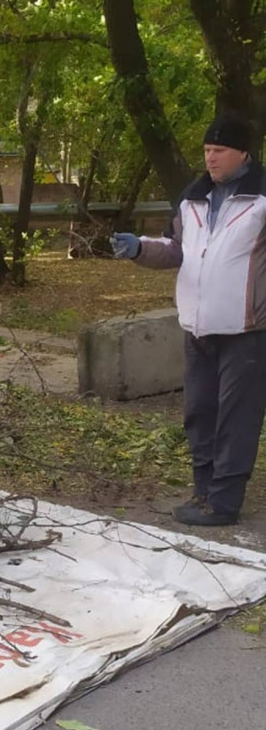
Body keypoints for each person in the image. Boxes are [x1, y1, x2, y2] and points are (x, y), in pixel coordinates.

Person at [110, 113, 266, 527]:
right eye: (206, 151)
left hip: (247, 330)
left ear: (243, 153)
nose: (210, 159)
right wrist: (139, 248)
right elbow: (177, 248)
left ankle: (225, 501)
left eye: (219, 151)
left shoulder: (262, 199)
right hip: (197, 326)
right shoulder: (192, 198)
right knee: (199, 411)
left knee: (238, 416)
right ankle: (203, 490)